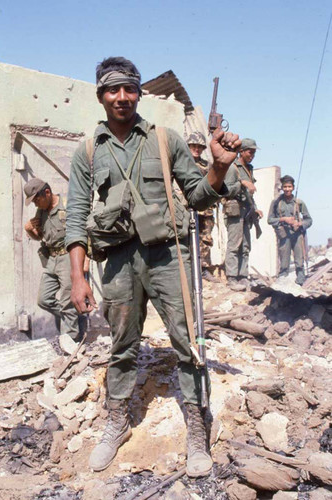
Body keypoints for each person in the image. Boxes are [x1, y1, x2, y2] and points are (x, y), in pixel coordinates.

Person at [65, 56, 241, 477]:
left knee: (188, 342)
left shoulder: (166, 139)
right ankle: (117, 422)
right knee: (121, 345)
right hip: (119, 262)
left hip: (169, 257)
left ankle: (197, 431)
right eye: (113, 90)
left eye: (129, 88)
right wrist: (77, 275)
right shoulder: (88, 151)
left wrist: (217, 166)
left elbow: (199, 196)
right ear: (101, 95)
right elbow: (74, 213)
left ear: (139, 92)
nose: (122, 97)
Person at [24, 178, 82, 339]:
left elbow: (84, 233)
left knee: (66, 301)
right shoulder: (41, 211)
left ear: (47, 193)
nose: (36, 205)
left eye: (37, 200)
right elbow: (41, 236)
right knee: (44, 299)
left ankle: (70, 341)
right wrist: (29, 230)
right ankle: (73, 318)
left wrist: (85, 261)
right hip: (51, 259)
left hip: (67, 258)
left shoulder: (67, 205)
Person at [222, 138, 263, 291]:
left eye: (253, 152)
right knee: (234, 244)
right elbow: (225, 190)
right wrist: (242, 183)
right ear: (242, 151)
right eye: (249, 151)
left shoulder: (249, 169)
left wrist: (256, 208)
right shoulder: (233, 168)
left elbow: (250, 194)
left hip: (247, 211)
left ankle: (243, 276)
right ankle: (232, 278)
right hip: (235, 210)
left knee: (245, 245)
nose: (252, 155)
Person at [267, 175, 312, 285]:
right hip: (283, 235)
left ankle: (300, 283)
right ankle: (282, 283)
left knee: (299, 261)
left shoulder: (299, 203)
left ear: (293, 187)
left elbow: (309, 220)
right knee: (284, 262)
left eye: (289, 186)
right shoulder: (276, 202)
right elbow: (270, 220)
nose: (287, 189)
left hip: (297, 235)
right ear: (282, 188)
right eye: (285, 187)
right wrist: (283, 219)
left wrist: (300, 224)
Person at [186, 131, 219, 283]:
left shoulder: (207, 165)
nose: (196, 149)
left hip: (205, 208)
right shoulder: (181, 162)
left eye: (199, 147)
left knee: (205, 239)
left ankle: (204, 269)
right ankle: (187, 270)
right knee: (184, 237)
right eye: (193, 146)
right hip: (185, 206)